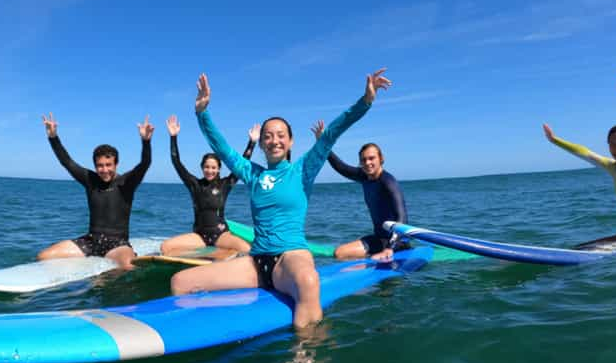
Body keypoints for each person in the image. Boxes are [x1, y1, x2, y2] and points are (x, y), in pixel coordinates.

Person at [170, 68, 390, 328]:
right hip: (255, 263)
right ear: (261, 144)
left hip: (290, 258)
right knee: (180, 282)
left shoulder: (302, 170)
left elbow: (332, 133)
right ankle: (199, 334)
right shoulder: (252, 174)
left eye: (280, 135)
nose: (274, 140)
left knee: (308, 281)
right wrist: (202, 113)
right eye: (268, 136)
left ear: (291, 142)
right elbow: (223, 150)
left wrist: (365, 102)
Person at [543, 65, 616, 255]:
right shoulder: (613, 168)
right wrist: (555, 140)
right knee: (582, 249)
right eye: (611, 145)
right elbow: (584, 152)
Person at [37, 113, 154, 269]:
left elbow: (145, 164)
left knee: (128, 265)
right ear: (95, 166)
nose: (104, 170)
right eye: (100, 165)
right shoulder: (90, 180)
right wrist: (53, 136)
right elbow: (67, 162)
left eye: (108, 164)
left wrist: (146, 141)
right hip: (91, 241)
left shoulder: (127, 182)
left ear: (116, 164)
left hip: (117, 245)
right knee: (44, 256)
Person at [160, 115, 259, 256]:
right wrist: (173, 137)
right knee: (165, 247)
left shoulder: (225, 184)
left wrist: (252, 142)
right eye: (207, 167)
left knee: (246, 249)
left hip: (221, 235)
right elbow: (176, 162)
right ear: (202, 168)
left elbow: (241, 165)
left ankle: (226, 262)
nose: (210, 170)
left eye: (213, 167)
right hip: (199, 236)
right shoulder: (194, 185)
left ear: (219, 169)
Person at [309, 123, 408, 261]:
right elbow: (340, 167)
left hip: (395, 243)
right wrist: (324, 143)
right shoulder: (364, 176)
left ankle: (379, 258)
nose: (367, 163)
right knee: (340, 253)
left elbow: (402, 218)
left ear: (381, 158)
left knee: (342, 253)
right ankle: (369, 260)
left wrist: (390, 248)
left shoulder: (388, 182)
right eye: (363, 160)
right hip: (378, 239)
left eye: (371, 158)